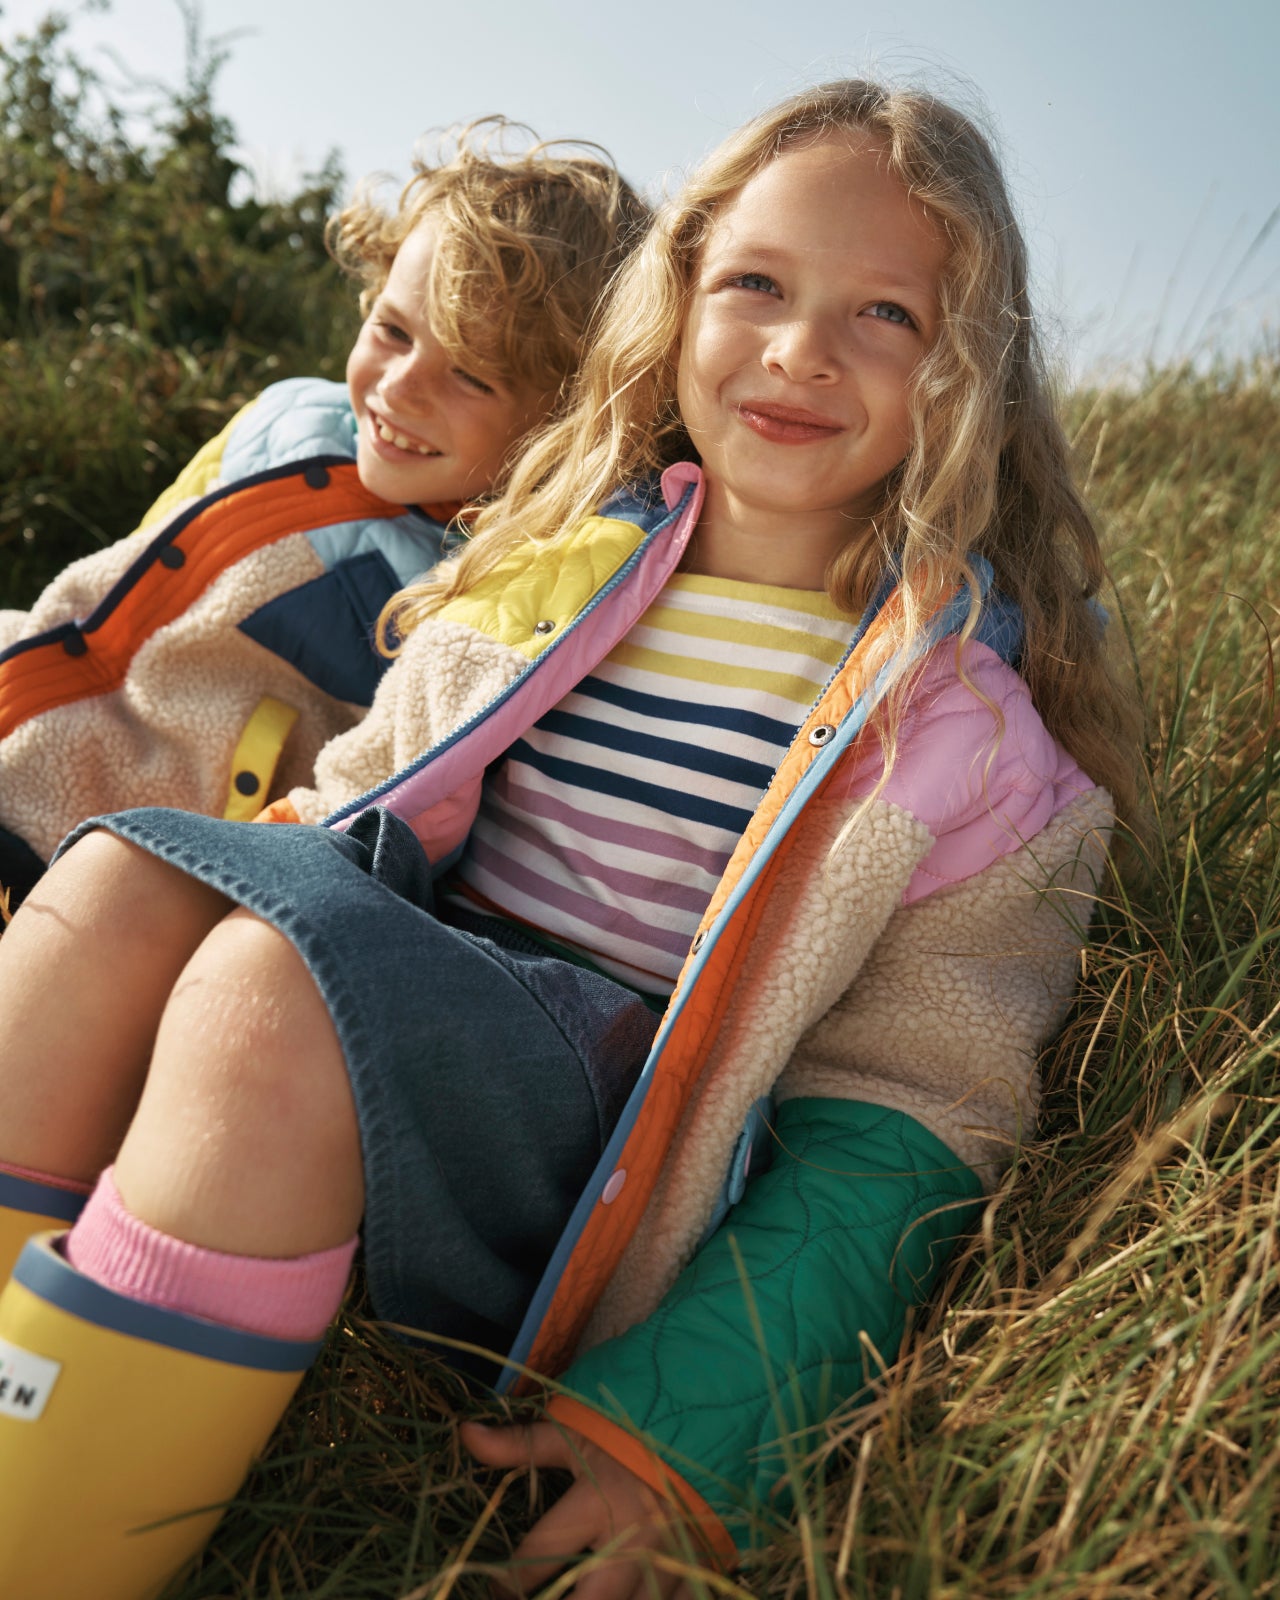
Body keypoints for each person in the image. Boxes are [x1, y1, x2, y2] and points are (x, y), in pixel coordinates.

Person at [0, 78, 1140, 1600]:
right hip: (423, 990)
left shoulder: (975, 742)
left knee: (263, 993)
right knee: (124, 873)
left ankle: (41, 1544)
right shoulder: (560, 566)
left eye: (887, 316)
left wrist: (688, 1425)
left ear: (969, 377)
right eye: (757, 285)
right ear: (675, 305)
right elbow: (371, 791)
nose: (802, 349)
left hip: (612, 1127)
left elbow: (914, 1104)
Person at [0, 119, 648, 910]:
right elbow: (129, 567)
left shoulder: (485, 580)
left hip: (111, 851)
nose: (400, 387)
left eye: (472, 376)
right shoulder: (280, 417)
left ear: (566, 416)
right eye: (392, 330)